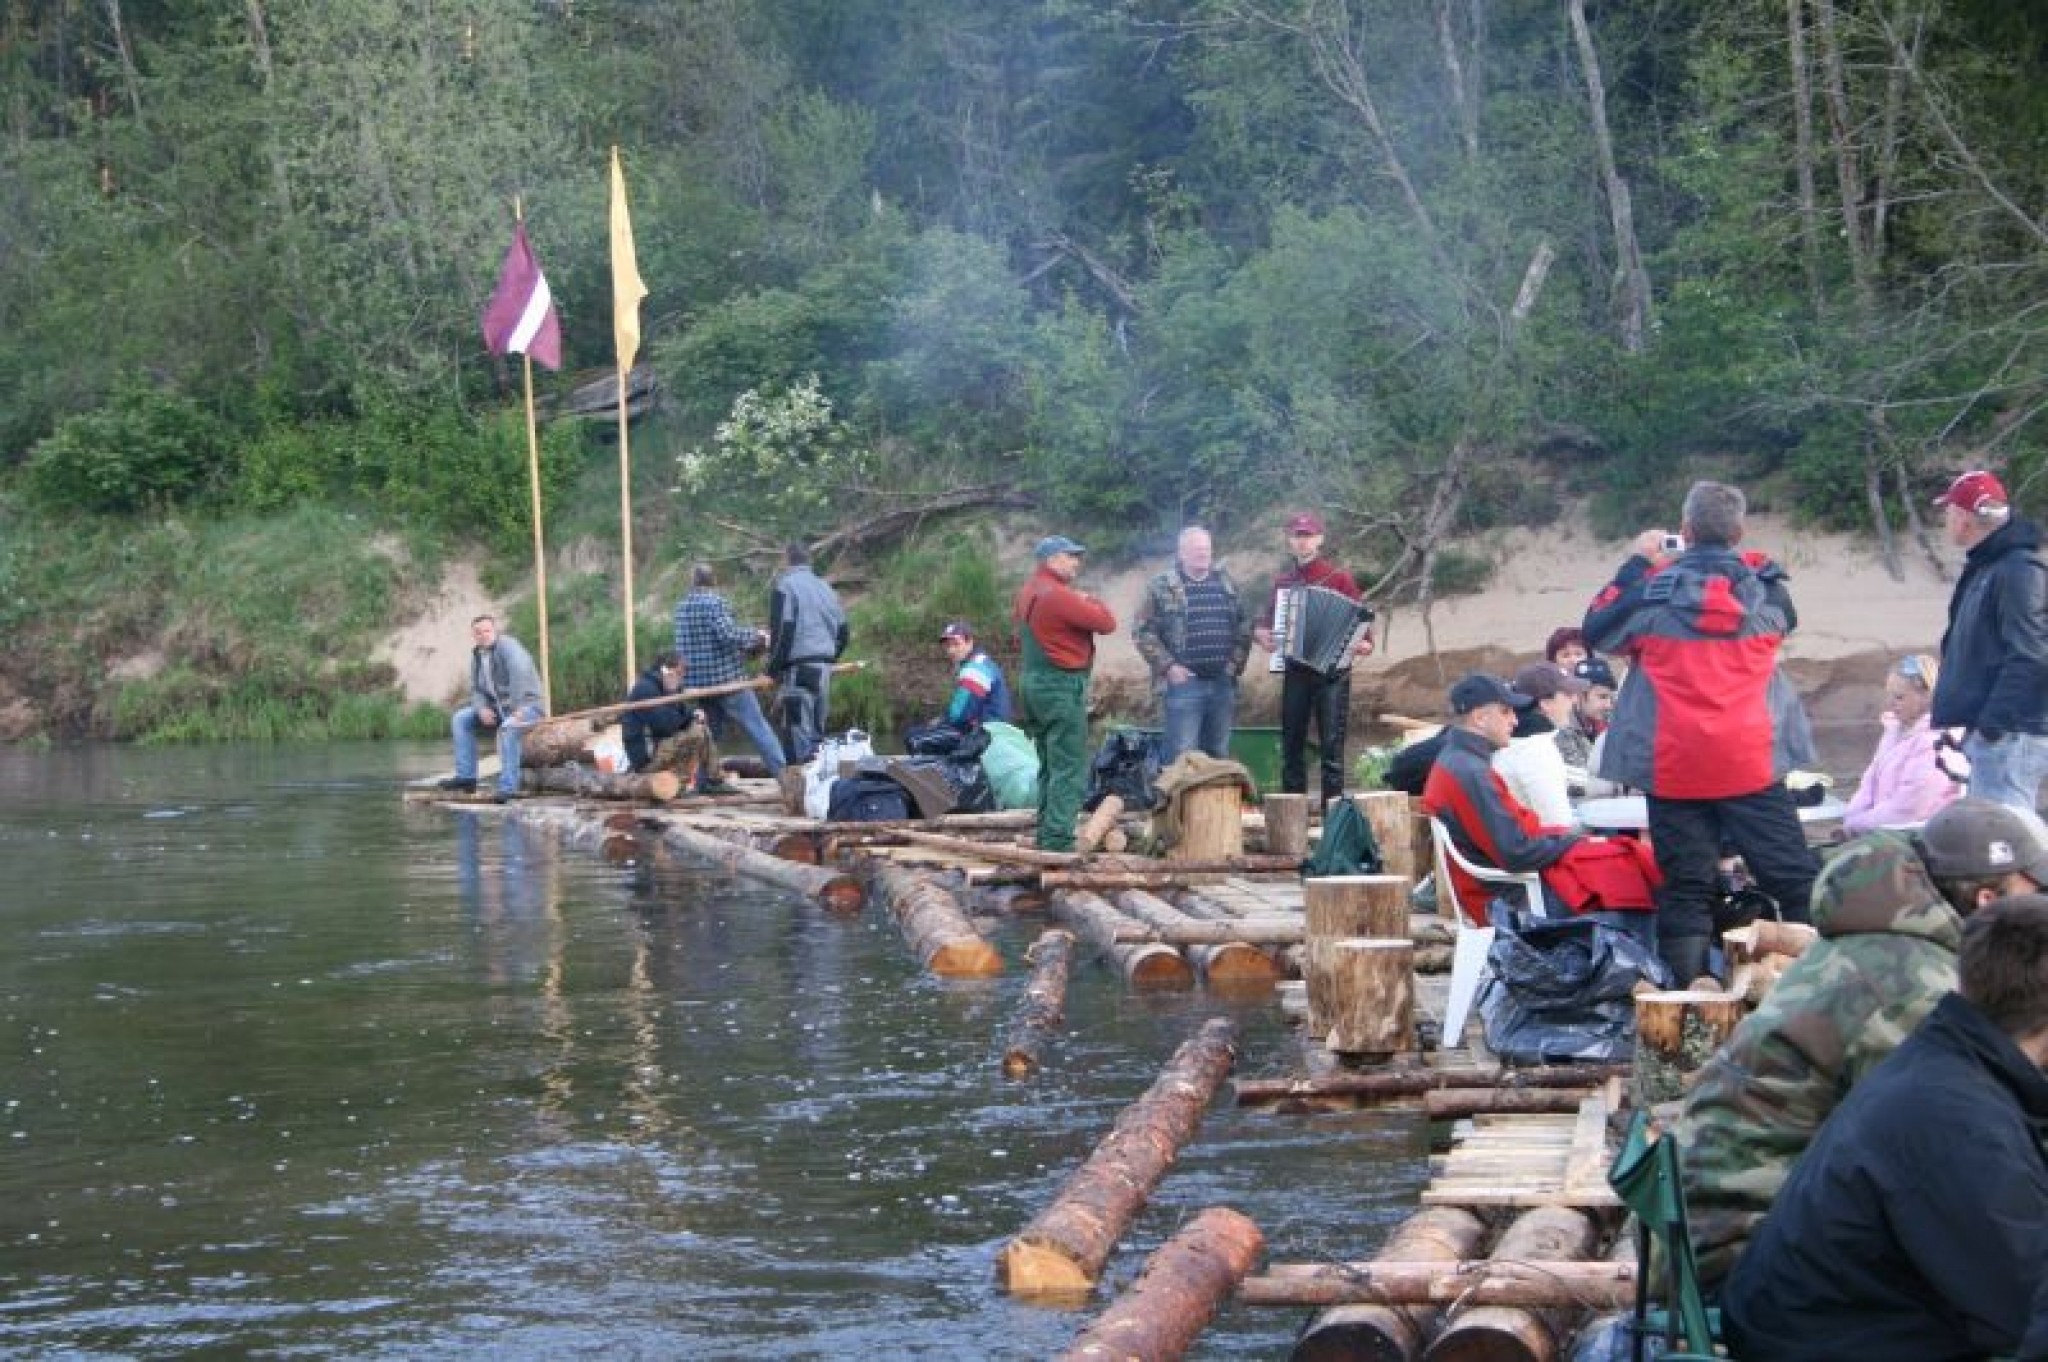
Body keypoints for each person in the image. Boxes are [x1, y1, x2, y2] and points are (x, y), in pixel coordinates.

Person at [1678, 798, 2048, 1287]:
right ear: (1988, 899)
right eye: (2037, 888)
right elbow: (1948, 1149)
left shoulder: (1888, 944)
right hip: (1747, 1251)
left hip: (1753, 1218)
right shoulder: (1911, 986)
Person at [1721, 893, 2048, 1361]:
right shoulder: (1958, 1123)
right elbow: (2023, 1314)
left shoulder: (1947, 1064)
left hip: (1816, 1327)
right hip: (1834, 1344)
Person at [1582, 480, 1820, 984]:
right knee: (1794, 879)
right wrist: (1744, 564)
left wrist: (1638, 563)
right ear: (1739, 532)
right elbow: (1788, 617)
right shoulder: (1765, 593)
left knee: (1686, 887)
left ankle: (1688, 1009)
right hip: (1750, 761)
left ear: (1684, 532)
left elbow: (1597, 630)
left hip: (1677, 765)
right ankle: (1818, 989)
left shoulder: (1650, 598)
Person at [1421, 673, 1660, 939]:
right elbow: (1516, 853)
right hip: (1509, 898)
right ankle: (1653, 971)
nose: (1515, 720)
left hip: (1500, 886)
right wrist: (1571, 843)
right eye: (1506, 712)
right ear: (1480, 718)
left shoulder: (1459, 761)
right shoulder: (1470, 772)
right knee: (1632, 879)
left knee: (1624, 862)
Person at [1928, 469, 2048, 814]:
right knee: (1994, 836)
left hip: (2013, 731)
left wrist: (1993, 724)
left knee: (2007, 835)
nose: (1947, 520)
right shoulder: (1990, 567)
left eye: (1950, 512)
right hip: (2001, 730)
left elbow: (2032, 654)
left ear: (1966, 519)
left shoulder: (2018, 570)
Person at [1253, 511, 1374, 806]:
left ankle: (1331, 816)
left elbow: (1364, 627)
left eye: (1307, 536)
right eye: (1297, 536)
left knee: (1332, 749)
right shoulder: (1283, 583)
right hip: (1295, 671)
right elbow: (1264, 626)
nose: (1302, 542)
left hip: (1333, 674)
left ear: (1319, 539)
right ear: (1289, 541)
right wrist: (1263, 636)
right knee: (1292, 745)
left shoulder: (1340, 579)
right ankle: (1292, 814)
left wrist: (1363, 645)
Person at [1013, 535, 1117, 852]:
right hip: (1059, 686)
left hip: (1032, 684)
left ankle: (1047, 829)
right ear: (1053, 560)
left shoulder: (1027, 591)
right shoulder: (1058, 595)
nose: (1076, 563)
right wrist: (1091, 600)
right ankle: (1058, 839)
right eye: (1071, 556)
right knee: (1069, 766)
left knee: (1048, 762)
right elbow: (1106, 623)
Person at [1133, 525, 1252, 763]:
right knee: (1181, 757)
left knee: (1217, 753)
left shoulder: (1227, 584)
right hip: (1184, 685)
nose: (1203, 554)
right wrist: (1168, 667)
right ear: (1182, 553)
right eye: (1196, 549)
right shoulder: (1161, 586)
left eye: (1207, 549)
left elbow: (1244, 626)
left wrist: (1233, 666)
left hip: (1222, 683)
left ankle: (1212, 802)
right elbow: (1142, 632)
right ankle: (1177, 802)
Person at [673, 563, 787, 779]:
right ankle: (784, 776)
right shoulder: (714, 603)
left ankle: (704, 782)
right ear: (713, 581)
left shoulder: (681, 607)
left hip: (697, 682)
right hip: (726, 680)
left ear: (692, 582)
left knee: (711, 734)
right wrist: (759, 637)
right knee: (757, 726)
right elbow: (728, 634)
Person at [1839, 652, 1964, 834]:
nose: (1890, 703)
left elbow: (1911, 806)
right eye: (1889, 695)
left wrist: (1859, 825)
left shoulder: (1936, 742)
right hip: (1880, 830)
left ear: (1926, 696)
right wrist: (1853, 818)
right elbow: (1869, 781)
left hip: (1917, 837)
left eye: (1899, 697)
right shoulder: (1895, 730)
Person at [440, 614, 545, 804]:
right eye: (478, 632)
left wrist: (518, 708)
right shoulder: (478, 656)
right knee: (461, 719)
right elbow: (476, 689)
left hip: (528, 706)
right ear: (473, 635)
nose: (483, 635)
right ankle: (467, 778)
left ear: (495, 631)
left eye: (487, 631)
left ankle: (508, 788)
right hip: (497, 709)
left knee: (509, 728)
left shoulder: (509, 648)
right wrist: (481, 708)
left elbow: (519, 674)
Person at [766, 541, 849, 766]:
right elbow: (844, 632)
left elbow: (783, 631)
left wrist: (772, 670)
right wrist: (831, 658)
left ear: (786, 559)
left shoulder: (786, 587)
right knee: (817, 735)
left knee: (797, 735)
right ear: (808, 560)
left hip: (799, 669)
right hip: (824, 669)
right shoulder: (827, 588)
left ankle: (799, 791)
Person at [620, 651, 733, 795]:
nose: (683, 676)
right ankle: (704, 781)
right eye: (681, 671)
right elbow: (665, 726)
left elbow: (683, 715)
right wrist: (688, 714)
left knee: (698, 728)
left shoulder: (670, 687)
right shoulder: (646, 689)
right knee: (696, 732)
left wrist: (694, 715)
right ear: (666, 669)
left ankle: (705, 780)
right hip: (647, 758)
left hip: (661, 746)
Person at [1490, 661, 1586, 830]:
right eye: (1568, 694)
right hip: (1537, 849)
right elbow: (1559, 826)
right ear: (1545, 703)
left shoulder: (1514, 741)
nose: (1575, 699)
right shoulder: (1535, 750)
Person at [935, 620, 1012, 732]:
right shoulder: (979, 661)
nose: (951, 650)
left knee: (915, 738)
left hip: (989, 732)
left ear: (970, 642)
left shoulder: (975, 669)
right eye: (947, 646)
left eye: (956, 644)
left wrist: (940, 721)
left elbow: (960, 714)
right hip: (989, 727)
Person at [1555, 656, 1616, 797]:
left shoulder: (1610, 719)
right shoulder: (1563, 727)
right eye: (1602, 697)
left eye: (1610, 698)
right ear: (1580, 696)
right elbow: (1581, 781)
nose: (1608, 705)